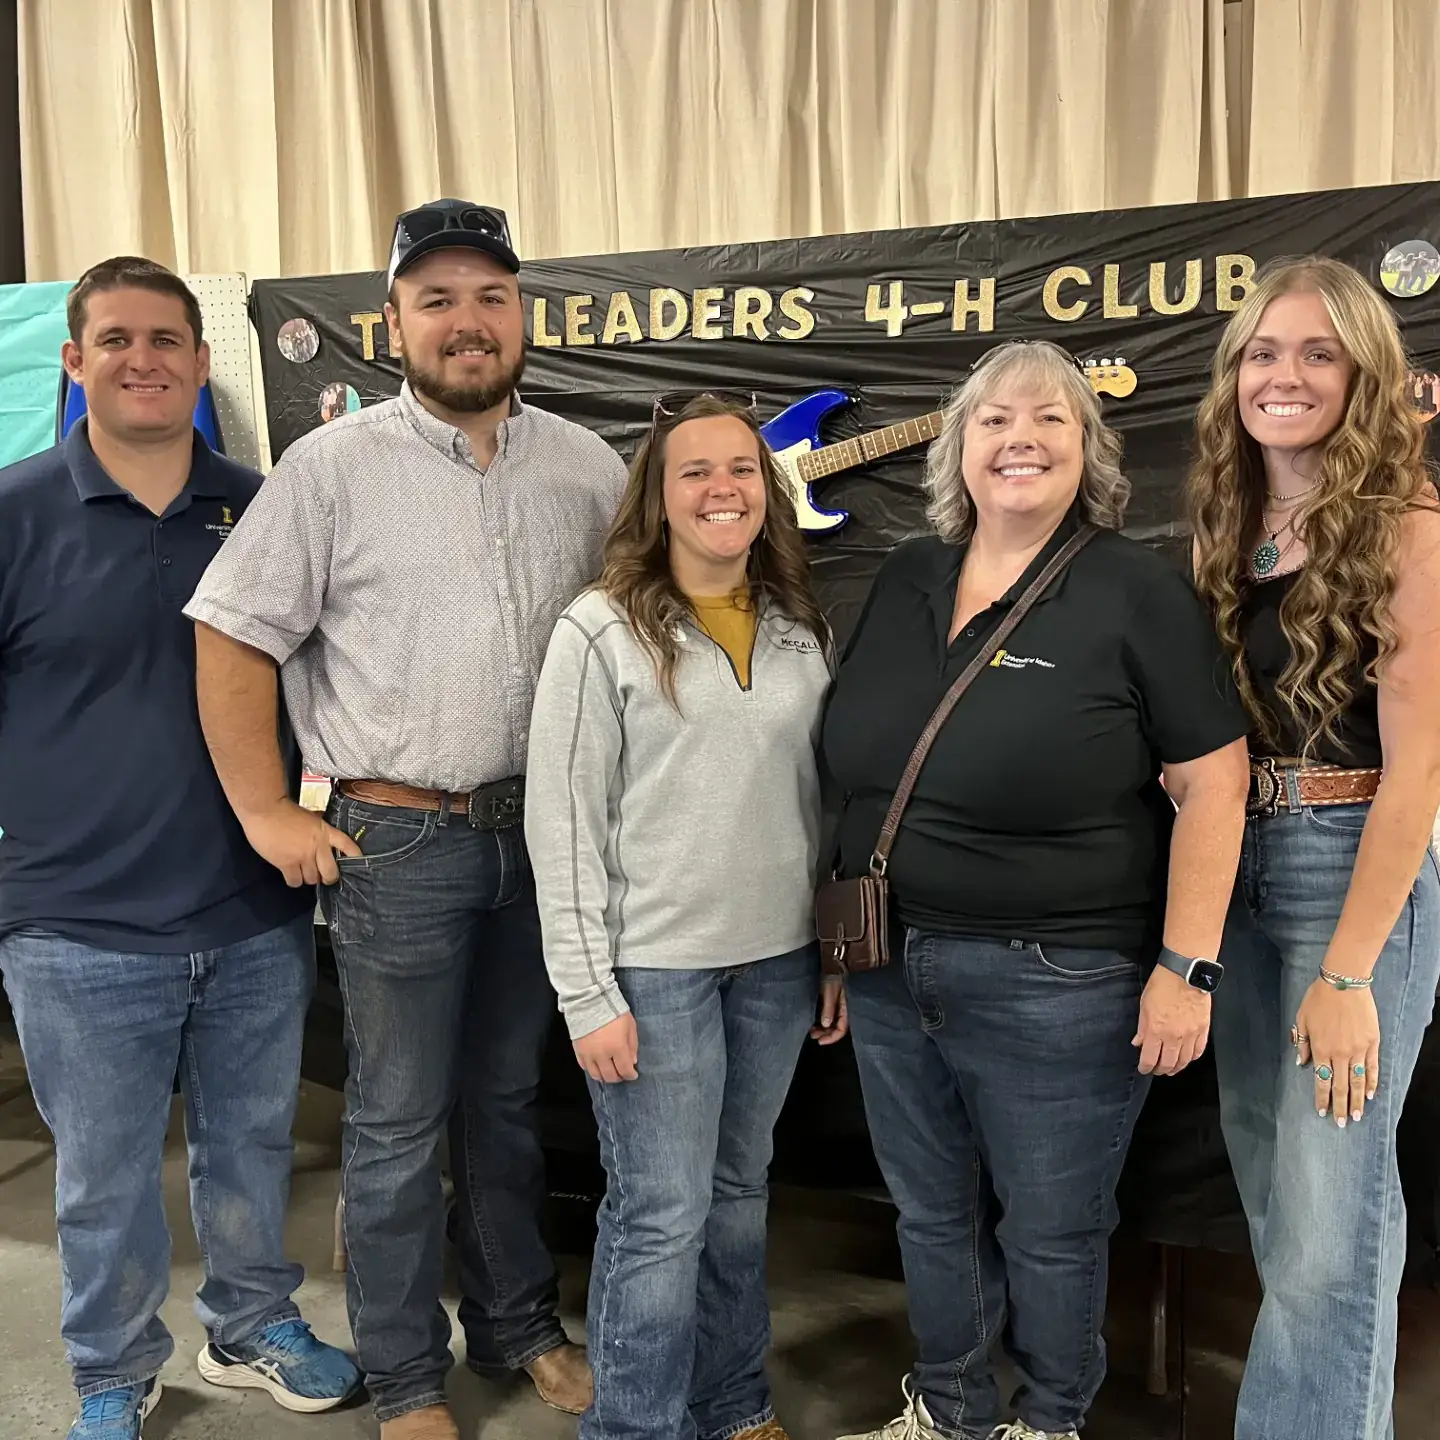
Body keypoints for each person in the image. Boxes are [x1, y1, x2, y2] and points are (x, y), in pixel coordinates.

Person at [184, 201, 628, 1440]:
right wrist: (266, 810)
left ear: (522, 316)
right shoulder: (330, 470)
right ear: (393, 324)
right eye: (436, 300)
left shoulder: (588, 468)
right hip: (398, 847)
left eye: (489, 295)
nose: (466, 321)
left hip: (540, 843)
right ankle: (404, 1378)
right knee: (394, 1123)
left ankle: (519, 1326)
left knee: (503, 1105)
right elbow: (230, 634)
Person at [822, 340, 1250, 1440]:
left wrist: (1185, 969)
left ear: (1089, 451)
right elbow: (859, 766)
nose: (1020, 439)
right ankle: (952, 1411)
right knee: (929, 1214)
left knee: (1052, 1232)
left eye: (1051, 420)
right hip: (888, 963)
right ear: (957, 450)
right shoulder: (910, 574)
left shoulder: (1132, 588)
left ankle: (1050, 1421)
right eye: (995, 420)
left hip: (1061, 977)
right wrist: (838, 945)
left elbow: (1214, 786)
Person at [0, 258, 359, 1440]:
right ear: (74, 359)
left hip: (252, 909)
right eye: (115, 338)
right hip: (75, 925)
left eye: (166, 338)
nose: (142, 357)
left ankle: (254, 1322)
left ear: (203, 364)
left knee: (252, 1146)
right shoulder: (12, 515)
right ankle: (111, 1368)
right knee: (104, 1180)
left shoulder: (267, 508)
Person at [525, 392, 846, 1440]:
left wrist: (831, 956)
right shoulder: (601, 628)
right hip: (652, 973)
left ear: (769, 490)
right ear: (657, 501)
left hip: (778, 965)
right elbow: (562, 822)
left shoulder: (802, 626)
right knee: (660, 1219)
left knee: (740, 1198)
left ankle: (732, 1404)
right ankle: (634, 1427)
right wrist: (586, 992)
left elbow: (823, 801)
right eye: (694, 472)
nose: (722, 489)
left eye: (742, 470)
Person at [1188, 255, 1440, 1440]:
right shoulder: (1230, 523)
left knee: (1333, 1224)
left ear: (1364, 375)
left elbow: (1420, 776)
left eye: (1317, 353)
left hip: (1351, 869)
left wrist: (1348, 972)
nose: (1283, 376)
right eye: (1264, 352)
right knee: (1285, 1208)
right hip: (1237, 869)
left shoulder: (1410, 530)